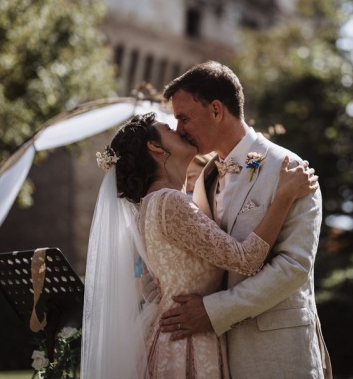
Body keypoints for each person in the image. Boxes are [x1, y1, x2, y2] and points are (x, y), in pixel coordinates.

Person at [80, 112, 318, 378]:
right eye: (170, 128)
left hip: (174, 338)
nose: (181, 130)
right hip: (188, 347)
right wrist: (284, 196)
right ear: (155, 147)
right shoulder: (170, 202)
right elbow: (246, 259)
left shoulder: (151, 205)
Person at [160, 61, 333, 378]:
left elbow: (293, 267)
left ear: (215, 110)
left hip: (278, 352)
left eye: (184, 118)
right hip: (220, 354)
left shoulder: (289, 168)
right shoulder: (207, 177)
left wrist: (214, 311)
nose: (179, 129)